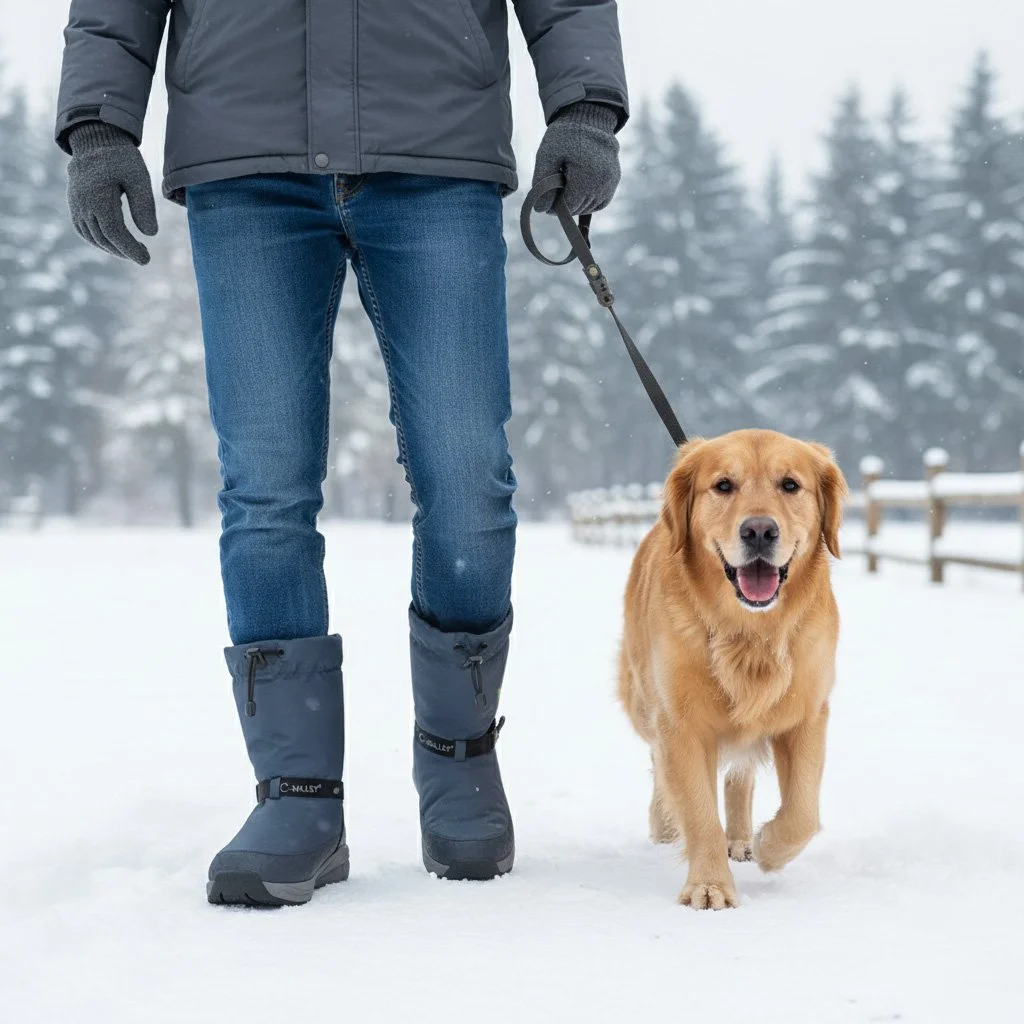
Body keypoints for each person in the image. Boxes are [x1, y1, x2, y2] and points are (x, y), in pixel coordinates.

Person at [56, 0, 628, 907]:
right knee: (265, 486)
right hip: (245, 152)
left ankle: (460, 757)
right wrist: (98, 124)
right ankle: (296, 796)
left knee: (467, 473)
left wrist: (584, 108)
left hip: (435, 145)